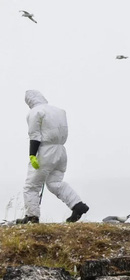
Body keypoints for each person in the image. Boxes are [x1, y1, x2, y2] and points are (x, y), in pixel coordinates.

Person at [17, 90, 89, 224]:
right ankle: (78, 205)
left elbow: (35, 135)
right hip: (61, 151)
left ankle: (32, 216)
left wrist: (32, 155)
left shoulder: (35, 112)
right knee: (55, 183)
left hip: (45, 151)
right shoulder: (59, 111)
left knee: (31, 186)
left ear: (29, 101)